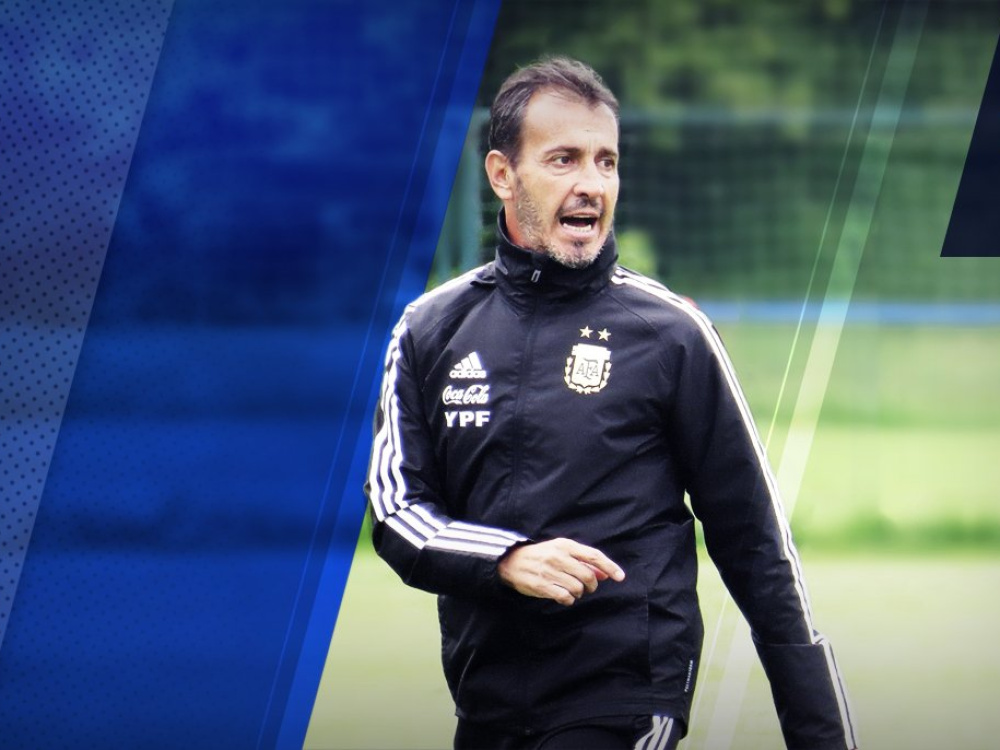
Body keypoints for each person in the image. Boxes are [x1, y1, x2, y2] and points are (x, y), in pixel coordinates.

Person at [365, 56, 857, 750]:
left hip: (627, 693)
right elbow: (397, 512)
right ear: (502, 174)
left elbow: (755, 540)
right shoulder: (428, 330)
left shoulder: (672, 333)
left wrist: (821, 734)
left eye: (606, 162)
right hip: (486, 703)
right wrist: (506, 558)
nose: (592, 185)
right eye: (564, 160)